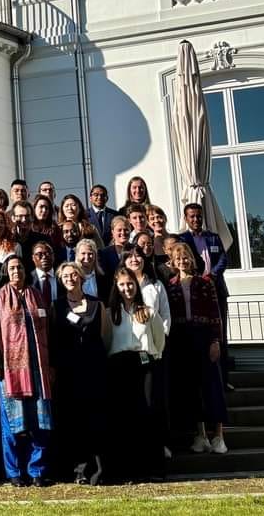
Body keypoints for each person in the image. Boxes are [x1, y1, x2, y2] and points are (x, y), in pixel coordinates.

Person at [0, 254, 54, 488]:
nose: (17, 271)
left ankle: (37, 471)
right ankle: (14, 472)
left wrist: (51, 364)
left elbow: (49, 329)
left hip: (38, 371)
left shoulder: (36, 295)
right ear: (7, 271)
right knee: (12, 424)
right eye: (12, 268)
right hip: (9, 370)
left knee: (40, 423)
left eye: (20, 267)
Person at [165, 242, 228, 455]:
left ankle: (218, 435)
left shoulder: (204, 282)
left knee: (212, 385)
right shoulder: (171, 285)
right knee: (192, 388)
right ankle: (200, 435)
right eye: (178, 258)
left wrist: (215, 341)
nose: (182, 261)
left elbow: (214, 313)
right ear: (172, 262)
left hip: (204, 336)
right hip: (182, 338)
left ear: (191, 259)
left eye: (185, 257)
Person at [105, 267, 166, 482]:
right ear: (116, 286)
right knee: (124, 416)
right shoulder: (110, 312)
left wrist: (153, 358)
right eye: (122, 284)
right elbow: (106, 340)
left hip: (144, 364)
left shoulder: (148, 311)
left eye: (130, 283)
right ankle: (127, 470)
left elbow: (159, 339)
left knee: (148, 413)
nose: (127, 288)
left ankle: (153, 468)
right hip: (119, 365)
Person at [52, 261, 108, 484]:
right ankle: (77, 470)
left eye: (73, 274)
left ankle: (97, 469)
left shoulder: (97, 304)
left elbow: (105, 336)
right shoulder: (56, 306)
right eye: (65, 276)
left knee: (95, 420)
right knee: (72, 421)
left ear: (81, 277)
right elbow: (52, 339)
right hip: (68, 372)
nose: (69, 278)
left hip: (94, 370)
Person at [177, 203, 230, 385]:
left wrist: (212, 275)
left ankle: (224, 379)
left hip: (216, 288)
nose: (196, 219)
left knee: (220, 333)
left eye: (198, 216)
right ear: (186, 219)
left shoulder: (214, 238)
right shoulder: (181, 239)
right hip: (193, 289)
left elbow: (223, 258)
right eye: (191, 216)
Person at [76, 238, 109, 302]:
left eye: (90, 253)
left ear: (95, 255)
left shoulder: (102, 276)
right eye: (83, 253)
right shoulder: (74, 277)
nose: (87, 257)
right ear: (77, 255)